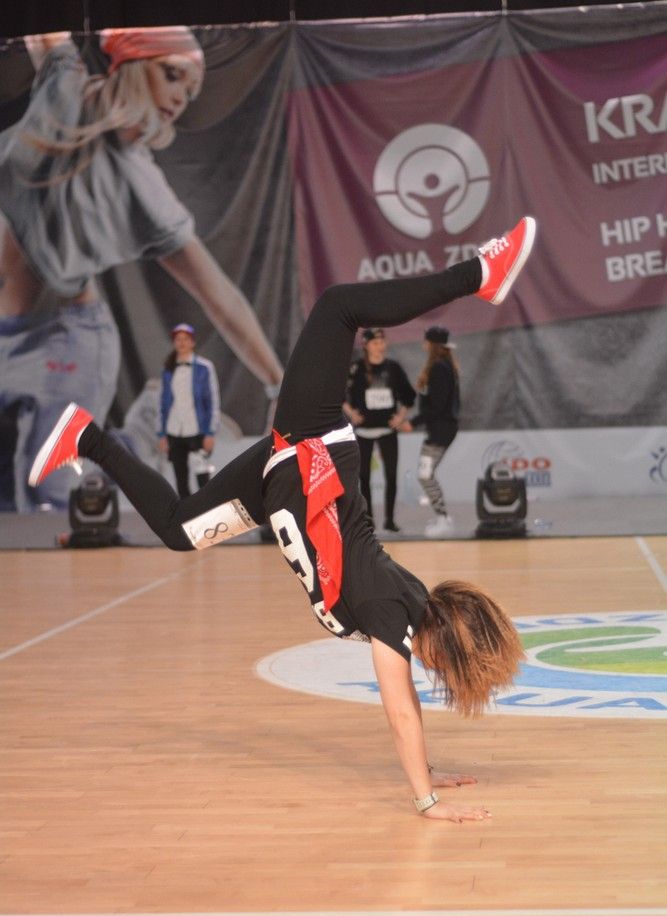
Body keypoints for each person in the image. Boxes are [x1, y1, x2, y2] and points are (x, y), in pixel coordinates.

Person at [29, 216, 536, 822]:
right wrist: (425, 800)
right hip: (311, 448)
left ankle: (86, 437)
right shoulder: (390, 612)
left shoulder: (402, 611)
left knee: (177, 530)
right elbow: (400, 710)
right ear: (440, 641)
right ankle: (480, 273)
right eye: (444, 664)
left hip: (279, 480)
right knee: (338, 307)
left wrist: (427, 768)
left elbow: (407, 695)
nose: (432, 672)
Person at [0, 27, 282, 512]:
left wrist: (279, 383)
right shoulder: (64, 85)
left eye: (189, 92)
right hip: (6, 332)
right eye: (172, 76)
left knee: (46, 495)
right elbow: (45, 29)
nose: (179, 99)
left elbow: (218, 294)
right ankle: (128, 439)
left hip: (64, 342)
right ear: (132, 63)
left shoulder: (143, 187)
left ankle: (141, 435)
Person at [343, 328, 415, 532]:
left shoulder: (393, 368)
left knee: (391, 475)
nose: (380, 346)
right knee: (364, 476)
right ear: (366, 345)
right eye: (375, 343)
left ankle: (390, 519)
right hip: (364, 431)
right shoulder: (356, 368)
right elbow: (340, 394)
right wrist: (351, 413)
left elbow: (409, 395)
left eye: (382, 342)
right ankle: (369, 519)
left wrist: (400, 417)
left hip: (387, 430)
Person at [403, 326, 460, 538]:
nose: (423, 344)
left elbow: (437, 406)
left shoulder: (439, 368)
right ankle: (442, 517)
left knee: (425, 475)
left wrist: (413, 422)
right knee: (426, 474)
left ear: (433, 344)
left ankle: (443, 518)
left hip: (440, 431)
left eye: (426, 341)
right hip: (440, 430)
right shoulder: (444, 366)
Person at [158, 322, 221, 497]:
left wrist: (210, 432)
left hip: (197, 430)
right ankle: (185, 512)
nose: (182, 342)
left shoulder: (204, 368)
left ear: (192, 342)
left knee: (202, 475)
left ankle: (206, 509)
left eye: (185, 339)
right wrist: (162, 433)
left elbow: (212, 401)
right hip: (174, 430)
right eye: (178, 339)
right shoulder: (168, 369)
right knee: (180, 477)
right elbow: (163, 403)